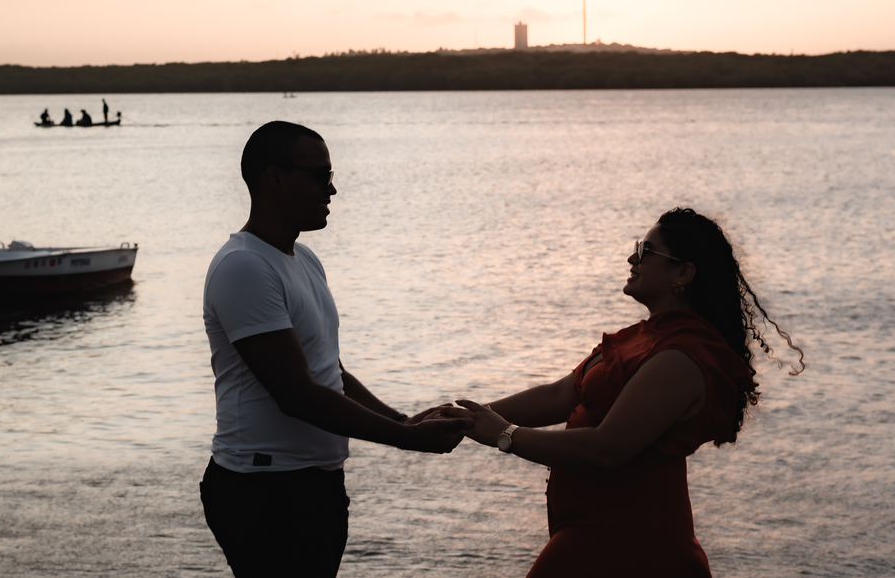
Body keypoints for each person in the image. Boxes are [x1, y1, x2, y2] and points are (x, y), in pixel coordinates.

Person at [439, 207, 805, 577]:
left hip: (633, 546)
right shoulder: (641, 338)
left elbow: (607, 448)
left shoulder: (682, 357)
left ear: (683, 273)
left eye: (646, 251)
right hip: (590, 535)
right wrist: (462, 419)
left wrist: (504, 435)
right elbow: (558, 396)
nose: (633, 258)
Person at [201, 121, 470, 578]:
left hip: (314, 483)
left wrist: (402, 420)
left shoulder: (303, 259)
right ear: (274, 178)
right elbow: (297, 395)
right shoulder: (243, 267)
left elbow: (331, 373)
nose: (332, 189)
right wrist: (404, 439)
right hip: (263, 488)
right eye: (320, 175)